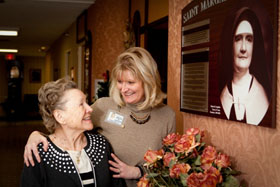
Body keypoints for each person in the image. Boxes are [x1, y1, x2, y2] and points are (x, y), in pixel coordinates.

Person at [23, 47, 176, 187]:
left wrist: (138, 172)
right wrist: (35, 135)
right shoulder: (104, 106)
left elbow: (171, 165)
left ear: (148, 81)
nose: (124, 89)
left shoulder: (167, 116)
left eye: (130, 82)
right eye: (120, 82)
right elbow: (67, 127)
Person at [21, 77, 125, 187]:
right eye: (81, 104)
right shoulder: (39, 154)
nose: (90, 109)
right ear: (60, 116)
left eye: (86, 102)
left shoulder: (101, 144)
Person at [219, 7, 273, 125]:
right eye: (238, 39)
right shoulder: (223, 94)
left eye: (249, 39)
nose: (243, 48)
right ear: (229, 44)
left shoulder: (261, 94)